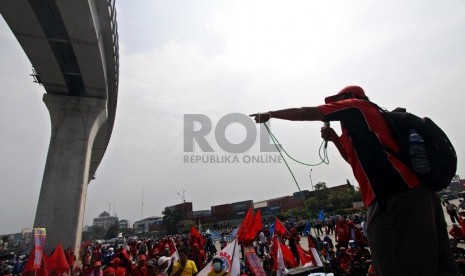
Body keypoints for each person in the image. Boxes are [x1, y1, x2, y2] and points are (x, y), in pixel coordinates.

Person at [251, 85, 460, 275]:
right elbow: (352, 161)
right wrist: (334, 138)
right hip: (412, 197)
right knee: (437, 264)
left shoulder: (358, 107)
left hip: (396, 198)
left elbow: (307, 112)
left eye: (337, 101)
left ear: (351, 98)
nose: (333, 106)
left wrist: (271, 114)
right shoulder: (358, 130)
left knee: (397, 265)